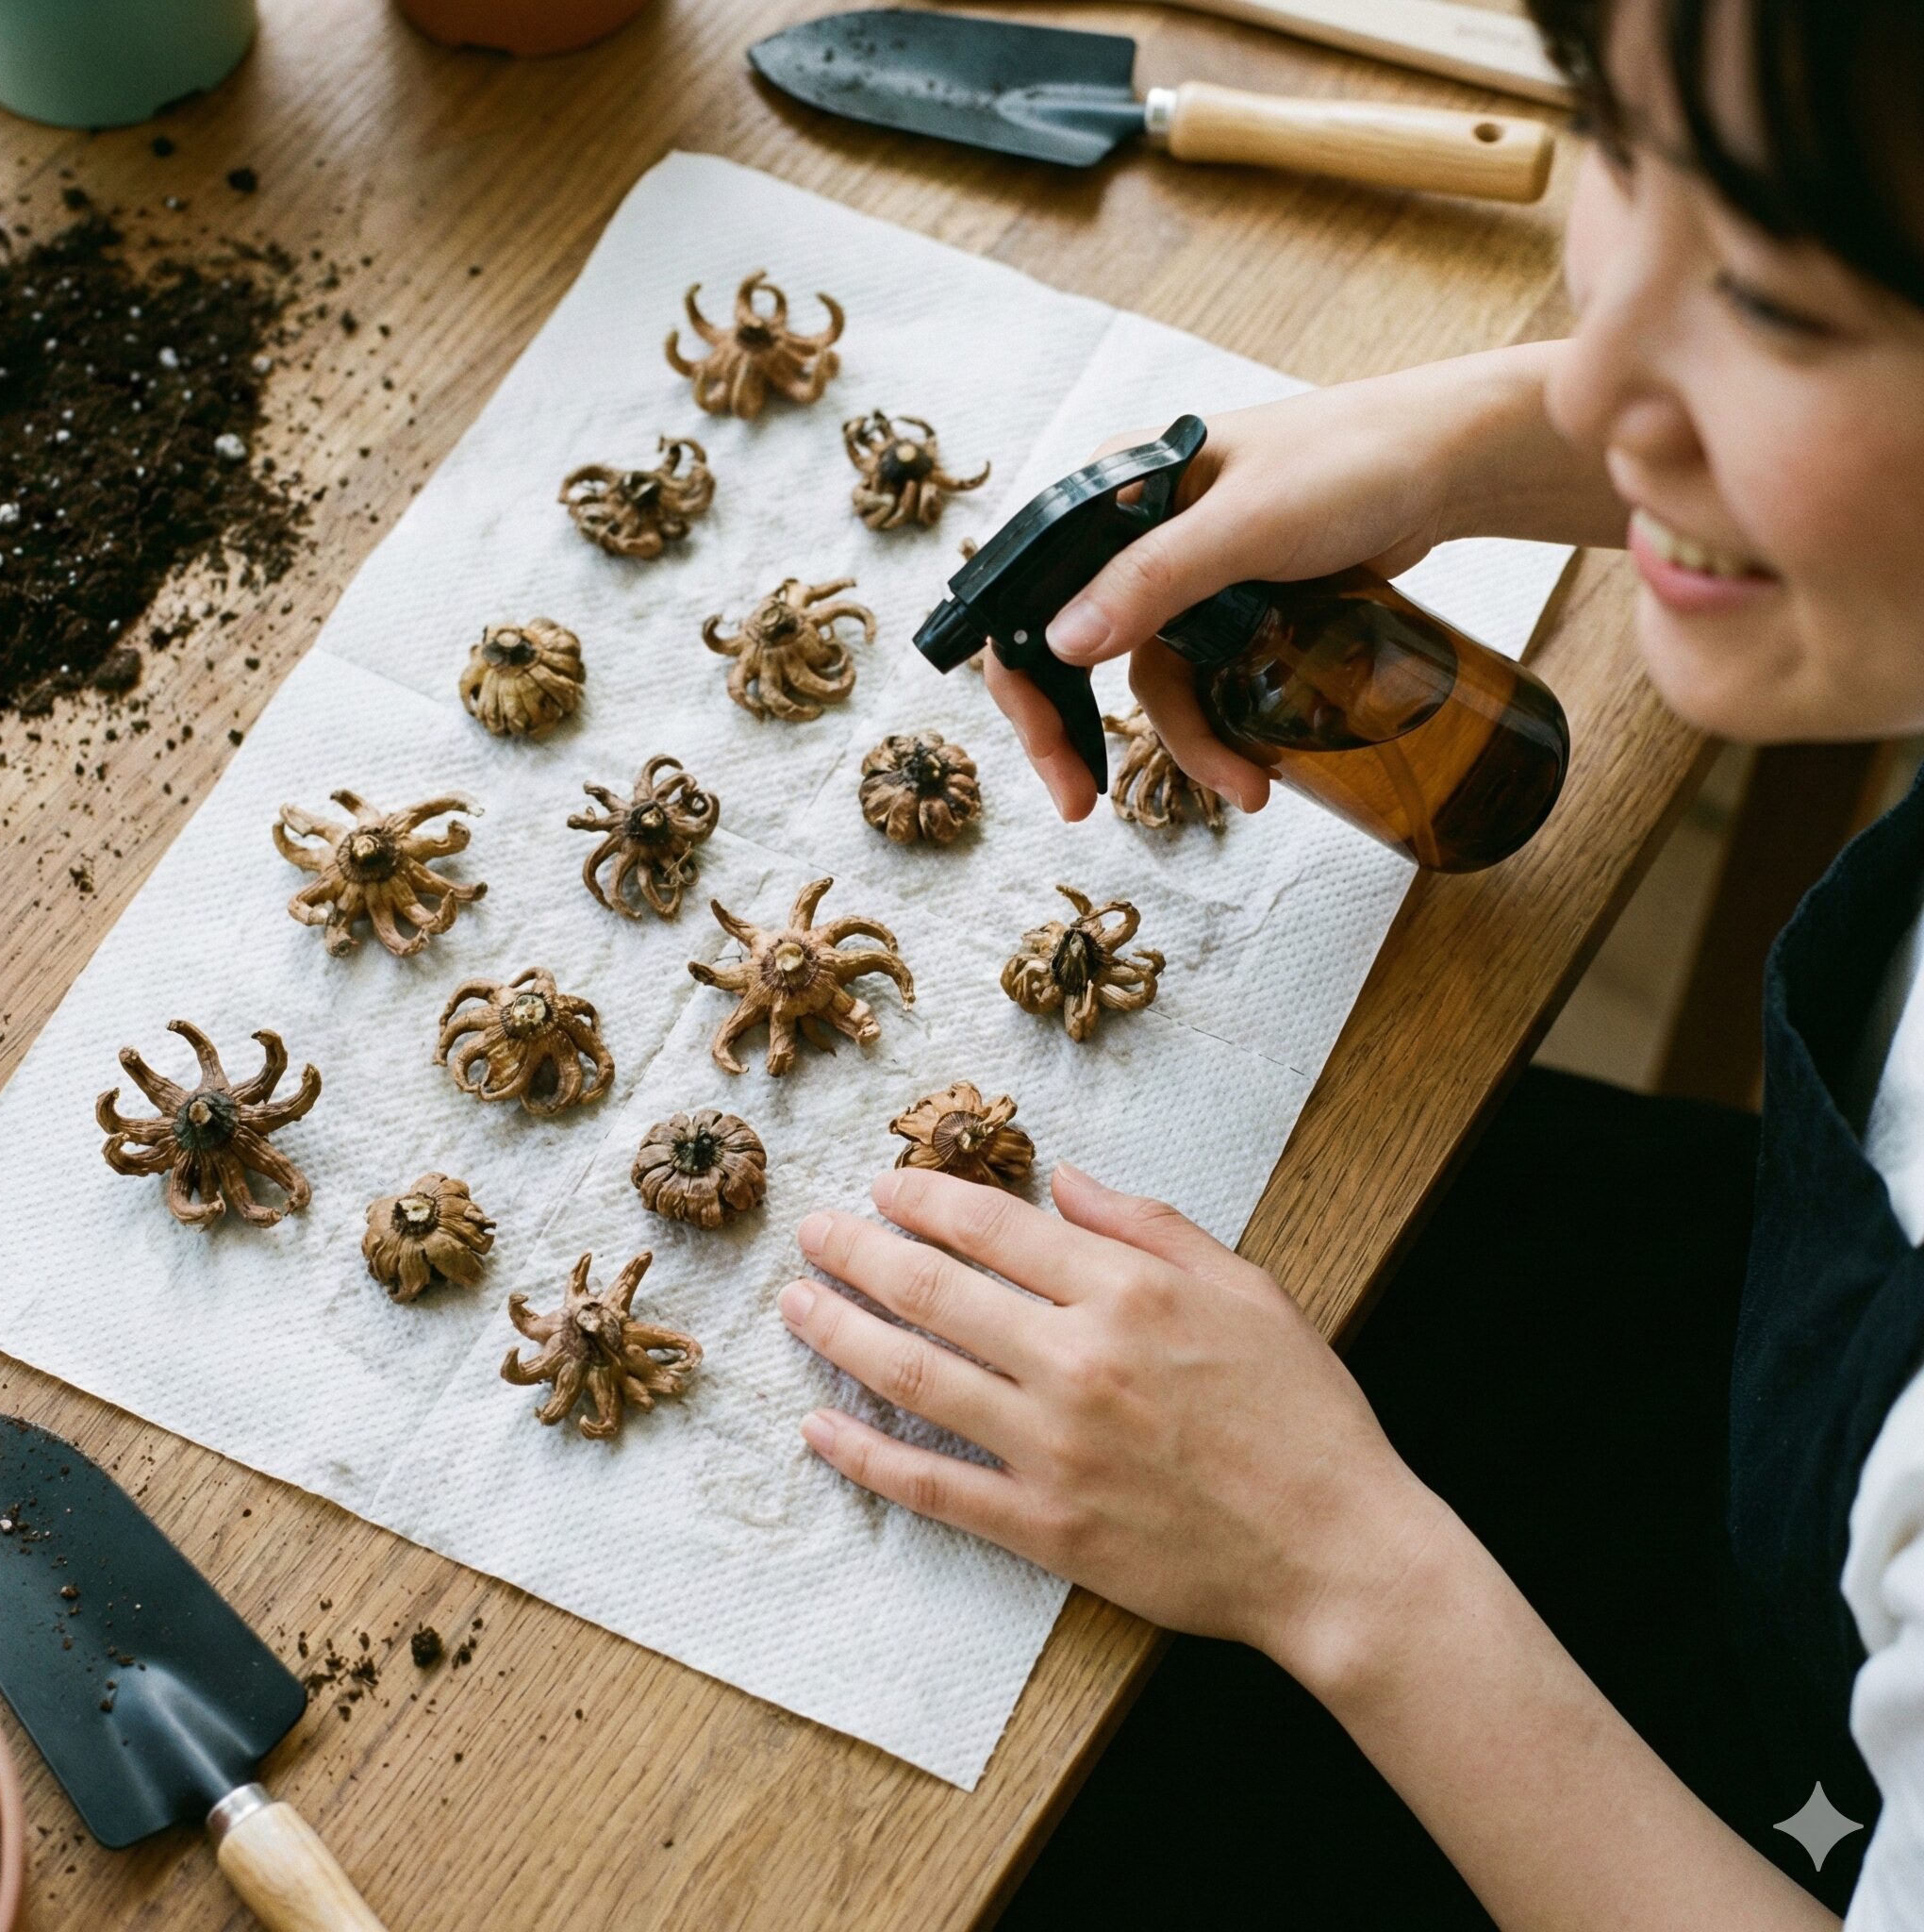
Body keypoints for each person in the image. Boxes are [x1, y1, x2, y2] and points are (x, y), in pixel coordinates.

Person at [776, 0, 1924, 1922]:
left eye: (1777, 307)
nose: (1600, 382)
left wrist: (1337, 1560)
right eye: (1618, 144)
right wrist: (1454, 437)